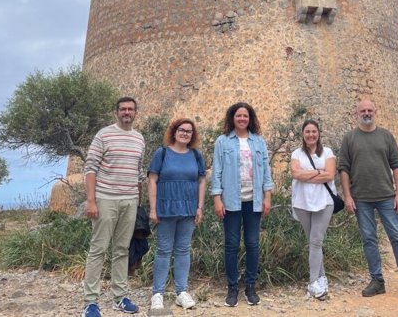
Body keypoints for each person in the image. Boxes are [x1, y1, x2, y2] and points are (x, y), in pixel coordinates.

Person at [338, 98, 398, 301]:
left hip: (386, 196)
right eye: (363, 110)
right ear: (356, 113)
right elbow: (344, 169)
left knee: (397, 237)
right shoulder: (350, 138)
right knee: (369, 240)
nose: (366, 113)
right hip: (361, 198)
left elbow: (397, 166)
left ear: (376, 112)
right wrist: (347, 196)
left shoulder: (386, 136)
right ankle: (377, 281)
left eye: (370, 110)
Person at [82, 97, 145, 317]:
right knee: (98, 249)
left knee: (122, 250)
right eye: (123, 109)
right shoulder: (104, 134)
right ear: (116, 112)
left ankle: (120, 297)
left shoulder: (139, 138)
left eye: (130, 109)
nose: (127, 112)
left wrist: (138, 201)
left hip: (129, 201)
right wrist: (91, 200)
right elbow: (90, 167)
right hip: (105, 198)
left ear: (136, 112)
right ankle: (90, 302)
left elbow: (138, 172)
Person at [210, 102, 274, 307]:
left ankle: (250, 286)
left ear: (250, 119)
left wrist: (267, 197)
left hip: (253, 201)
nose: (242, 119)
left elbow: (266, 170)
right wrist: (217, 199)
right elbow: (217, 171)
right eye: (238, 116)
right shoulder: (223, 141)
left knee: (253, 244)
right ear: (232, 118)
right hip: (230, 202)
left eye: (245, 116)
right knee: (231, 245)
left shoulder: (258, 142)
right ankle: (232, 288)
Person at [147, 118, 207, 312]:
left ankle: (181, 292)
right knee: (163, 250)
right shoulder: (162, 153)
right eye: (182, 130)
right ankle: (158, 294)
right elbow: (152, 180)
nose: (185, 133)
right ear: (174, 132)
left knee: (183, 249)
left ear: (192, 135)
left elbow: (201, 181)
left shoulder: (196, 155)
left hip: (188, 209)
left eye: (189, 131)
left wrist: (200, 207)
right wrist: (153, 208)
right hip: (166, 208)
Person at [290, 120, 337, 300]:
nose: (311, 135)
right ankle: (321, 279)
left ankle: (312, 283)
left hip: (324, 202)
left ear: (319, 133)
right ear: (303, 134)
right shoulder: (296, 153)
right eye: (307, 131)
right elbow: (295, 174)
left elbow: (330, 174)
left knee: (316, 241)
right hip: (302, 202)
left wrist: (306, 174)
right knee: (313, 243)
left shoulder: (328, 152)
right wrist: (319, 172)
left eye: (314, 131)